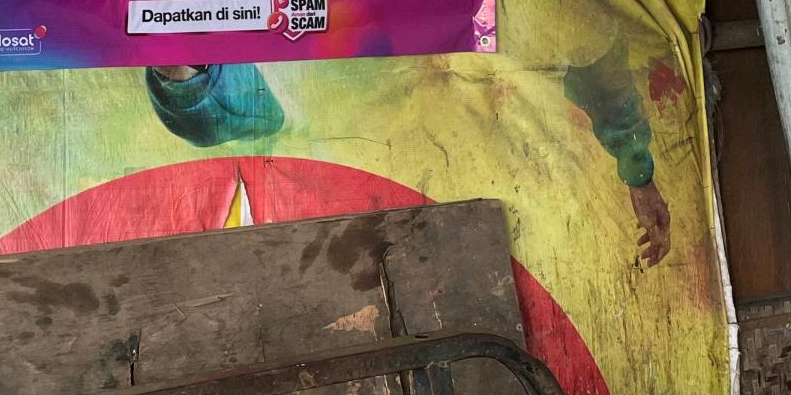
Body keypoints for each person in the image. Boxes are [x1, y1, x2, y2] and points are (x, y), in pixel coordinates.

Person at [145, 52, 671, 269]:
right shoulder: (300, 32)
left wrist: (638, 171)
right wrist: (178, 62)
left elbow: (597, 60)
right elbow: (219, 108)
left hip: (487, 222)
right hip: (356, 244)